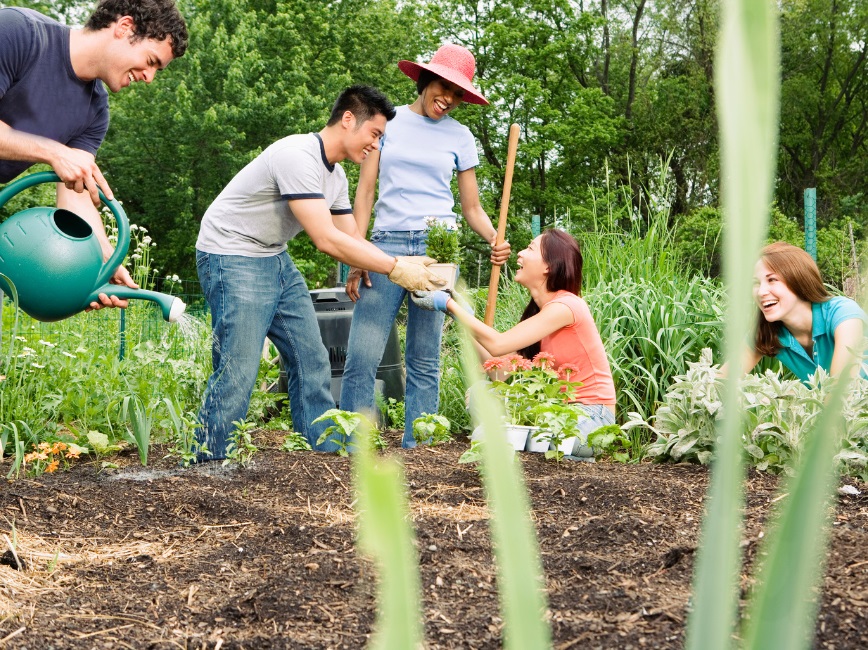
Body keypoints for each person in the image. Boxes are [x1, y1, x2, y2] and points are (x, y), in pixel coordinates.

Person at [194, 85, 447, 461]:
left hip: (274, 257)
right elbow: (326, 239)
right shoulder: (297, 156)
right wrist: (396, 268)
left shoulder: (337, 179)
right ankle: (208, 462)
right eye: (374, 134)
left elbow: (351, 238)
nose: (376, 146)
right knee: (239, 368)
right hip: (232, 255)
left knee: (311, 359)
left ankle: (324, 454)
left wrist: (396, 264)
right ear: (348, 119)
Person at [340, 43, 511, 448]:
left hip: (439, 250)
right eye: (442, 88)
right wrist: (355, 254)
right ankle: (351, 444)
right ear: (425, 80)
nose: (447, 100)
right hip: (387, 247)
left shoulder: (461, 136)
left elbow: (472, 207)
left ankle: (420, 449)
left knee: (424, 359)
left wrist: (494, 238)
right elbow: (364, 194)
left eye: (456, 95)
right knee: (362, 355)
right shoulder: (389, 124)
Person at [0, 0, 188, 309]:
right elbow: (62, 158)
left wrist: (103, 259)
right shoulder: (19, 32)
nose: (150, 78)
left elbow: (75, 192)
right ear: (124, 27)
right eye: (151, 61)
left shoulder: (95, 111)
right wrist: (53, 151)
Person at [413, 229, 617, 456]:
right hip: (555, 414)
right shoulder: (541, 313)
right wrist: (462, 318)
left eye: (529, 248)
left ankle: (563, 452)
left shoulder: (567, 307)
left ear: (548, 266)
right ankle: (553, 453)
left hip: (591, 420)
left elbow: (498, 344)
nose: (519, 253)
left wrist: (450, 305)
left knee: (494, 436)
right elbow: (500, 373)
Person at [730, 241, 867, 382]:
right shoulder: (768, 331)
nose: (761, 292)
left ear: (798, 280)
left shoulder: (844, 315)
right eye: (755, 283)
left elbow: (839, 392)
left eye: (772, 280)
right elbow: (721, 381)